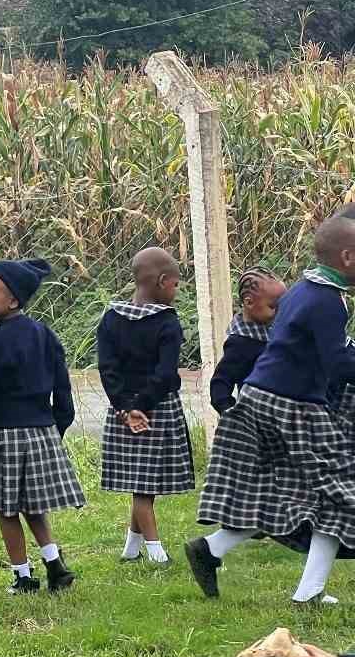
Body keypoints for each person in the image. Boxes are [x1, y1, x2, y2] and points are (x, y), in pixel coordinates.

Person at [187, 214, 355, 606]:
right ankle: (308, 592)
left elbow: (309, 348)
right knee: (340, 491)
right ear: (347, 257)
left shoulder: (302, 290)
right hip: (293, 407)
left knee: (283, 493)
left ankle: (211, 549)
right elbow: (336, 366)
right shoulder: (329, 302)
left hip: (262, 397)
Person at [0, 257, 83, 593]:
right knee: (34, 506)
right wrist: (58, 424)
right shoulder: (45, 335)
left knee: (7, 509)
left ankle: (23, 576)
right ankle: (55, 566)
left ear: (12, 300)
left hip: (5, 434)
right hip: (42, 430)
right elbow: (62, 384)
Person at [96, 246, 194, 565]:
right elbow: (165, 373)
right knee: (142, 484)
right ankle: (154, 551)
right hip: (157, 409)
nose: (176, 290)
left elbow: (107, 369)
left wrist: (125, 408)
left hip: (124, 412)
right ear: (162, 281)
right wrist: (142, 406)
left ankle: (130, 548)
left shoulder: (111, 319)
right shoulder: (167, 323)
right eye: (176, 284)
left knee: (142, 481)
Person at [209, 267, 286, 415]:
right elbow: (220, 383)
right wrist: (233, 415)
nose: (279, 312)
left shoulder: (269, 330)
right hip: (257, 416)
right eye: (273, 307)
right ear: (249, 302)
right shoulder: (240, 342)